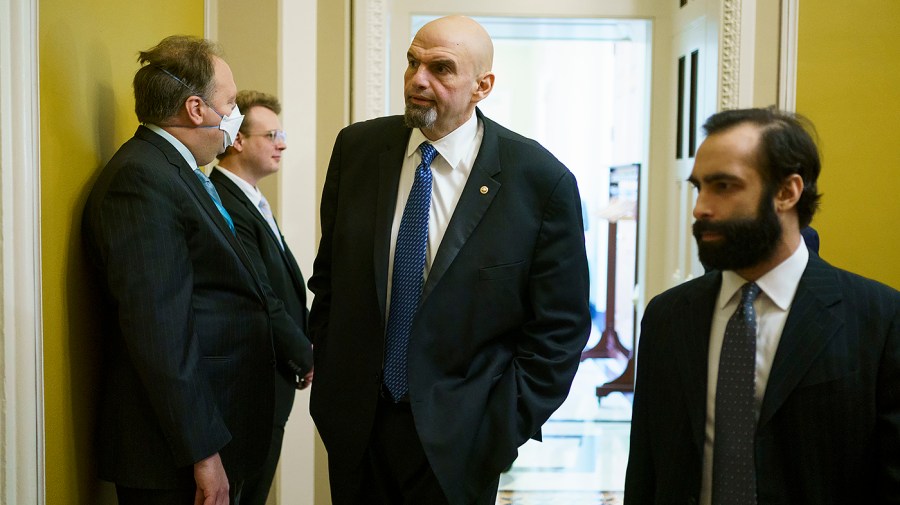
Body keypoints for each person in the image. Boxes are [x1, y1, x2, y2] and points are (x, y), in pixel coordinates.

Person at [308, 15, 591, 505]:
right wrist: (332, 389)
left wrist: (501, 427)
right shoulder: (357, 149)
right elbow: (329, 281)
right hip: (357, 430)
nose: (419, 79)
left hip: (463, 438)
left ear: (483, 86)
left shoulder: (539, 181)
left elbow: (559, 331)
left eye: (441, 68)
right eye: (413, 63)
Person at [624, 107, 900, 505]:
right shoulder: (668, 316)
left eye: (724, 186)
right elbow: (646, 470)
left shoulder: (879, 319)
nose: (701, 207)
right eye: (699, 187)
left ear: (787, 192)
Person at [82, 36, 312, 505]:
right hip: (175, 456)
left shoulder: (178, 170)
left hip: (216, 430)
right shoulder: (141, 179)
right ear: (195, 109)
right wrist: (204, 453)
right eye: (229, 104)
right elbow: (161, 332)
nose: (234, 118)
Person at [210, 90, 313, 505]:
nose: (282, 143)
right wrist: (304, 353)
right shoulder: (223, 199)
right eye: (271, 134)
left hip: (271, 376)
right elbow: (261, 293)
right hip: (250, 381)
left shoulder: (250, 197)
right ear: (237, 140)